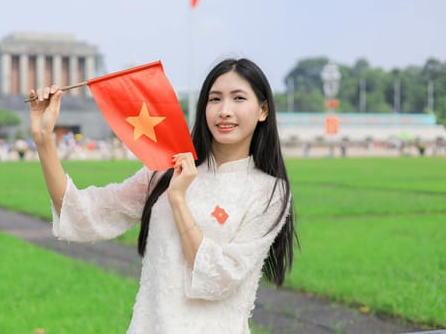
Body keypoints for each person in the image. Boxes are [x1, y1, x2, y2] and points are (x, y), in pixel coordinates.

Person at [29, 58, 297, 333]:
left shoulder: (269, 192)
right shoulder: (164, 171)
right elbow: (83, 213)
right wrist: (44, 140)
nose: (225, 110)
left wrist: (178, 200)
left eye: (239, 98)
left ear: (263, 110)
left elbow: (219, 278)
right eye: (215, 99)